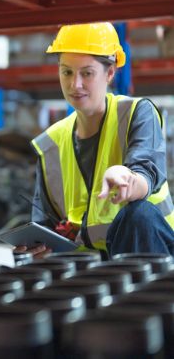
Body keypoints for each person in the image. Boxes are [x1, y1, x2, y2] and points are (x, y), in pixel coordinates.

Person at [20, 22, 174, 258]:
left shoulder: (135, 113)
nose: (75, 84)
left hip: (150, 256)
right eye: (67, 71)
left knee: (138, 214)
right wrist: (35, 248)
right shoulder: (51, 142)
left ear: (110, 73)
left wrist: (129, 180)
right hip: (91, 271)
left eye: (87, 73)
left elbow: (146, 172)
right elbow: (45, 225)